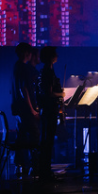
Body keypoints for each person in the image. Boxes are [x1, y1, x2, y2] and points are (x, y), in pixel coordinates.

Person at [10, 42, 40, 177]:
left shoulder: (16, 67)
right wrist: (32, 109)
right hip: (25, 109)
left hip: (18, 108)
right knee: (35, 136)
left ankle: (20, 165)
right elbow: (24, 89)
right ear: (26, 53)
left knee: (21, 137)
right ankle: (35, 165)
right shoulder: (23, 68)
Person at [38, 46, 65, 181]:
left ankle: (45, 170)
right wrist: (61, 93)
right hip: (49, 110)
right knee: (48, 141)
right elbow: (48, 93)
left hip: (48, 110)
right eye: (55, 54)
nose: (57, 56)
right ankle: (45, 171)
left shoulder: (48, 71)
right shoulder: (48, 72)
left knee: (47, 140)